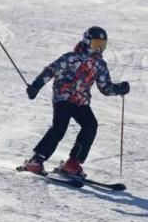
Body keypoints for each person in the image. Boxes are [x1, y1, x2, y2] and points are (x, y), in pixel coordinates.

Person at [22, 26, 130, 176]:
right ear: (86, 42)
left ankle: (73, 163)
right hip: (63, 98)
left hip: (81, 102)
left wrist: (119, 89)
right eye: (95, 44)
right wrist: (36, 86)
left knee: (90, 125)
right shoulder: (70, 58)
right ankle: (37, 160)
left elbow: (105, 87)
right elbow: (51, 70)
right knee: (60, 127)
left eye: (102, 45)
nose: (98, 49)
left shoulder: (100, 64)